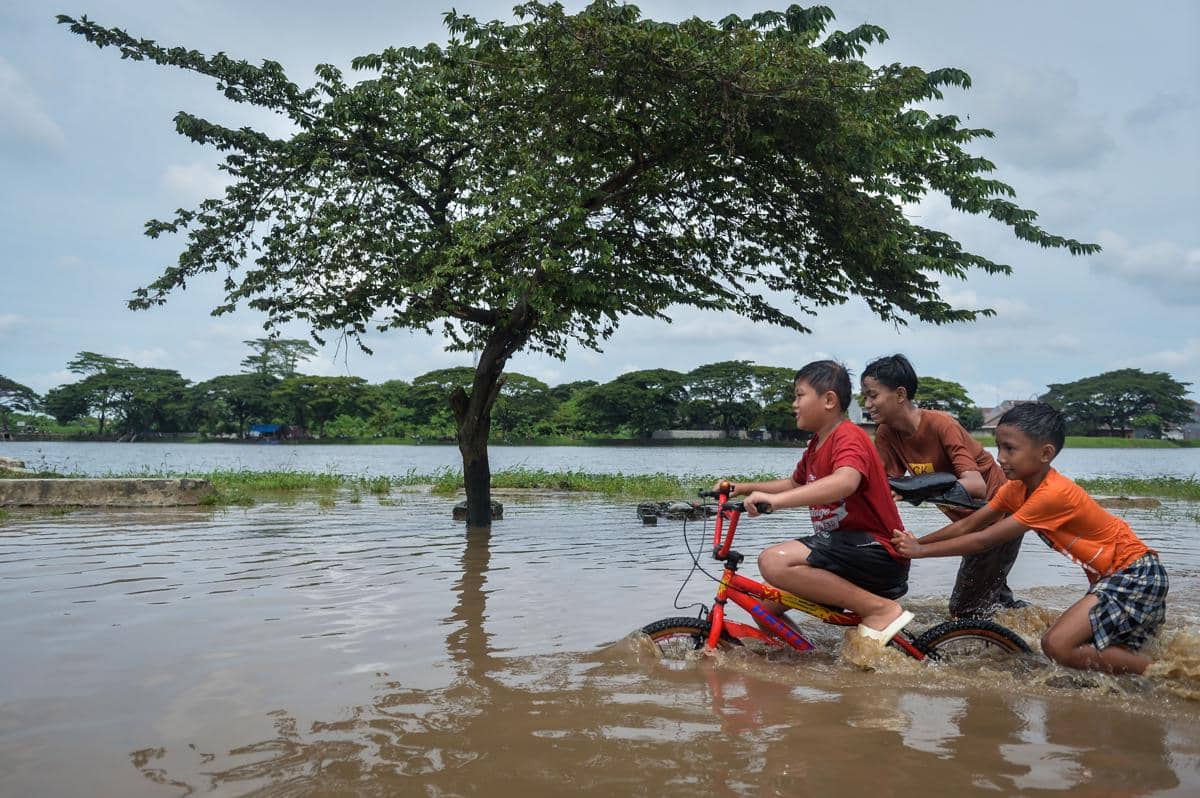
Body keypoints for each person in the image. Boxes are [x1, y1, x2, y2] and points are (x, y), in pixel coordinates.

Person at [891, 403, 1168, 674]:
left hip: (1135, 574)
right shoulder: (1015, 488)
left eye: (1010, 449)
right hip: (1117, 576)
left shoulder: (1052, 494)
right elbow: (970, 525)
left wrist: (920, 552)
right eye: (998, 447)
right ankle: (1147, 675)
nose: (1000, 458)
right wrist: (918, 543)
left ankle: (1169, 673)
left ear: (1045, 453)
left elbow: (983, 540)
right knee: (1091, 655)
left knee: (1056, 645)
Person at [726, 360, 913, 644]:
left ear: (829, 400)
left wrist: (776, 502)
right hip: (846, 553)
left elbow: (845, 481)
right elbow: (795, 484)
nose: (794, 404)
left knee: (774, 562)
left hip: (876, 553)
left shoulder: (848, 437)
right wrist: (742, 488)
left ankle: (879, 610)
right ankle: (809, 660)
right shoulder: (817, 444)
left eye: (799, 395)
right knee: (763, 607)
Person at [861, 354, 1025, 618]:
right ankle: (1025, 627)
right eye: (865, 397)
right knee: (995, 601)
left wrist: (917, 489)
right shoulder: (886, 433)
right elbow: (885, 487)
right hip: (968, 523)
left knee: (964, 610)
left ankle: (1024, 632)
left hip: (1000, 519)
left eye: (873, 395)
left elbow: (976, 486)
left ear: (900, 394)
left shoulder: (941, 424)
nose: (867, 404)